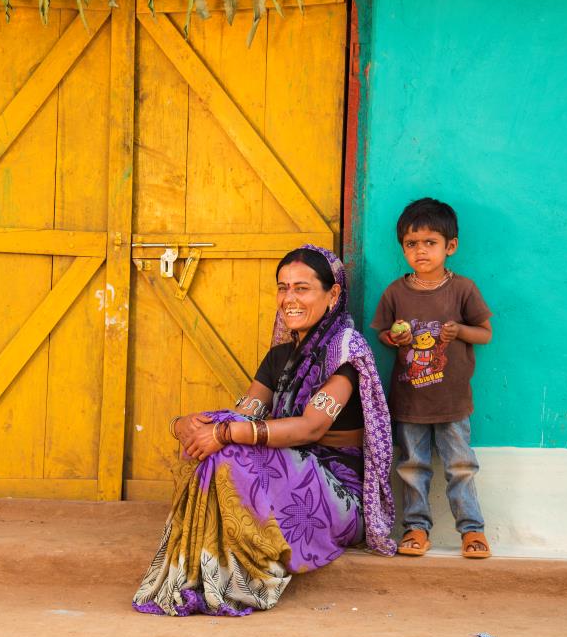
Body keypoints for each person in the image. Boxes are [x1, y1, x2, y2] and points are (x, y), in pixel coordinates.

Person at [133, 245, 396, 617]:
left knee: (227, 440)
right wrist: (185, 426)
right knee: (215, 440)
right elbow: (243, 415)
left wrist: (225, 433)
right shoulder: (279, 358)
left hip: (339, 499)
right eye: (283, 287)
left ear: (333, 295)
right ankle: (213, 569)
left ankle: (243, 571)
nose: (289, 298)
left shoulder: (344, 354)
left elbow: (309, 428)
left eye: (302, 288)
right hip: (294, 477)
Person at [369, 197, 493, 559]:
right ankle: (416, 529)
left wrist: (460, 332)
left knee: (461, 466)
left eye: (430, 242)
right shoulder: (395, 292)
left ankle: (472, 531)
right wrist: (395, 338)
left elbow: (484, 332)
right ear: (403, 248)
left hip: (453, 401)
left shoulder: (463, 289)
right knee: (411, 466)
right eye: (411, 243)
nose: (420, 251)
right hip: (409, 400)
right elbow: (382, 335)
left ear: (449, 246)